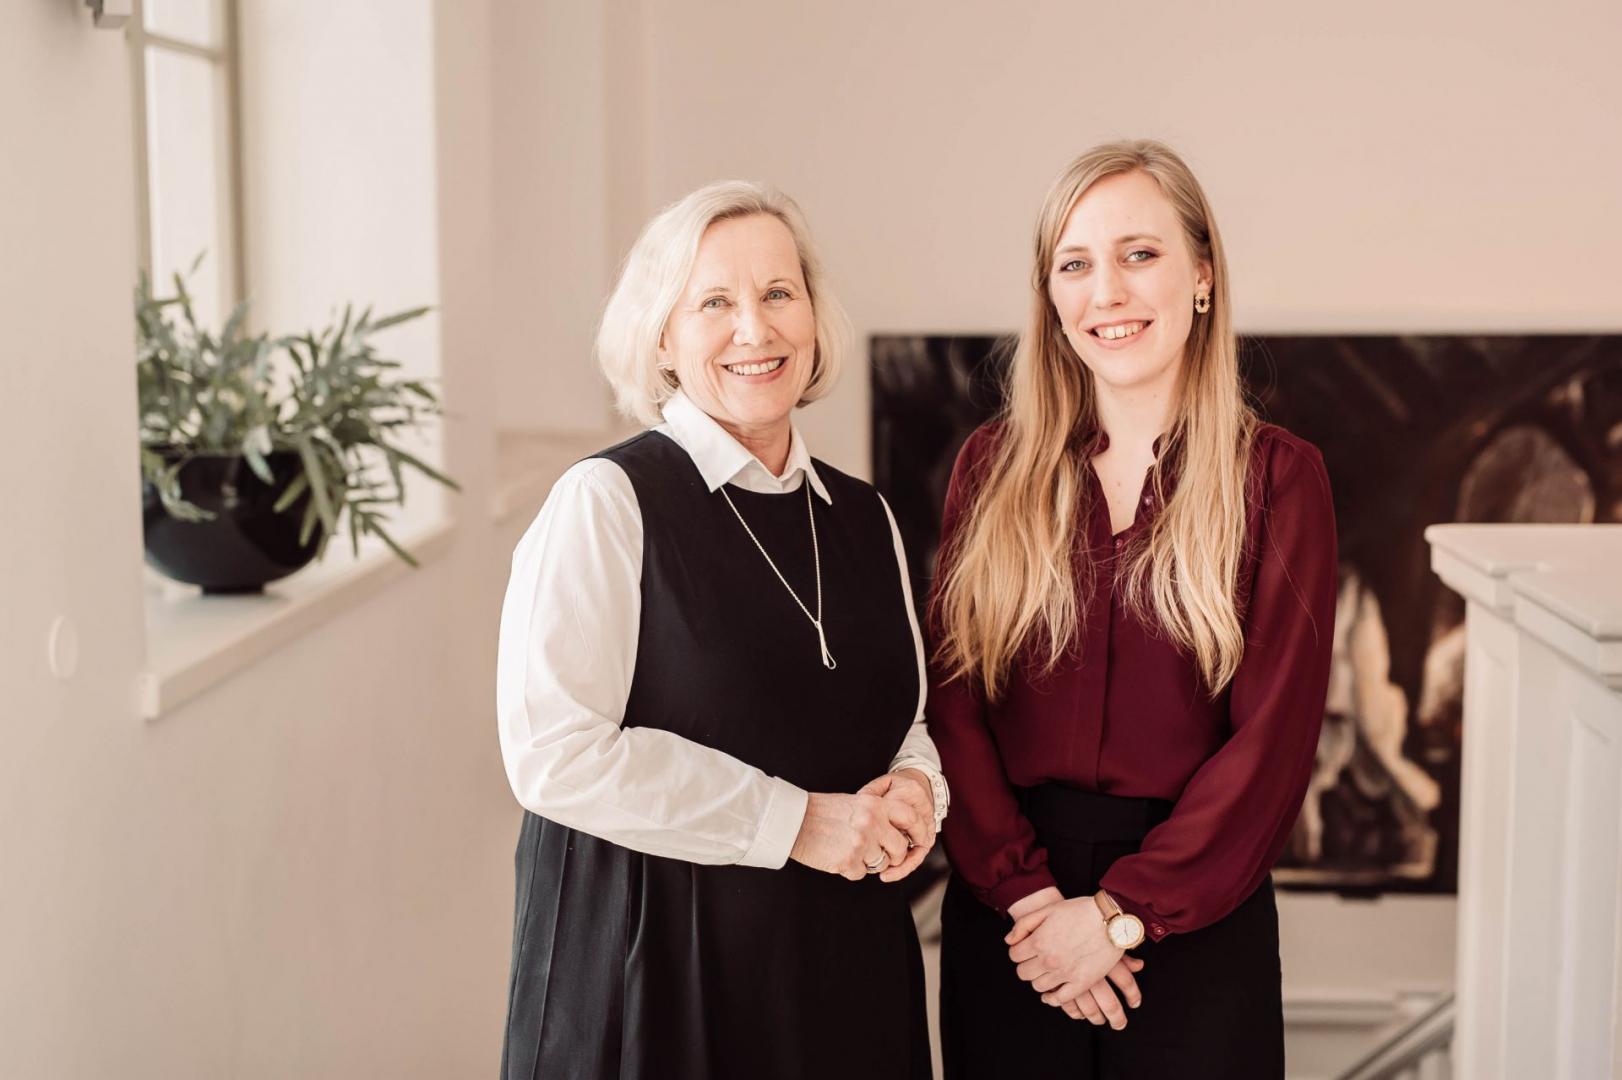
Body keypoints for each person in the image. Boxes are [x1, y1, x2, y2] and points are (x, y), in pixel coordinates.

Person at [496, 180, 948, 1080]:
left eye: (780, 294)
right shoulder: (608, 502)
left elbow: (907, 720)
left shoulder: (866, 517)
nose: (756, 328)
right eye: (714, 302)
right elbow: (554, 752)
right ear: (661, 336)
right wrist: (798, 824)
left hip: (841, 970)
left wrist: (917, 789)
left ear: (813, 316)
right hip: (655, 972)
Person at [927, 139, 1338, 1079]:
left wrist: (1120, 916)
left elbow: (1271, 745)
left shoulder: (1279, 479)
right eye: (1075, 265)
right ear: (1052, 299)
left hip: (1196, 922)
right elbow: (951, 707)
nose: (1106, 292)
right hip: (1011, 921)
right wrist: (1032, 902)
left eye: (1138, 254)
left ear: (1201, 274)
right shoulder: (989, 470)